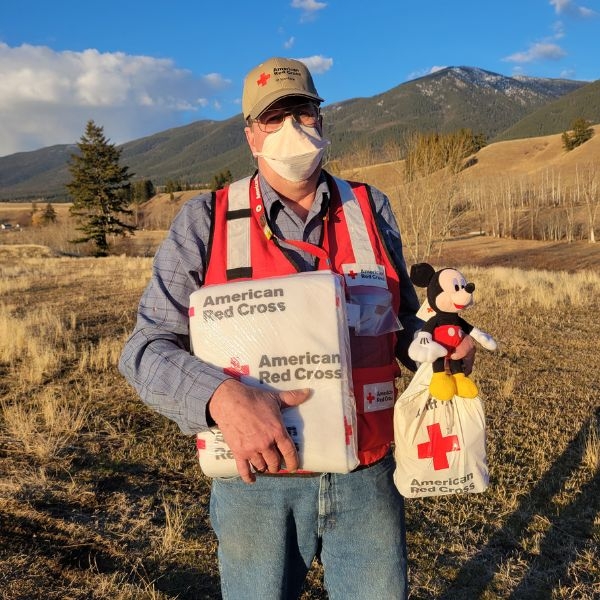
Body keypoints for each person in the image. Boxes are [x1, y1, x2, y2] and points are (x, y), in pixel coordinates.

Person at [119, 57, 475, 600]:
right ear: (249, 135)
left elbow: (401, 320)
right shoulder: (205, 219)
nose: (291, 129)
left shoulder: (371, 207)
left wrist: (437, 343)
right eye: (272, 118)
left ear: (322, 122)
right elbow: (144, 350)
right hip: (257, 482)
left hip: (368, 477)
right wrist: (221, 397)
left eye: (303, 112)